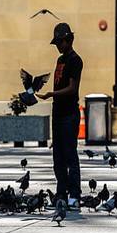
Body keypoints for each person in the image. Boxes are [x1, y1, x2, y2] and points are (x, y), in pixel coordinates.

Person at [36, 23, 83, 211]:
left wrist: (51, 95)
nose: (58, 46)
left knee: (70, 155)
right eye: (56, 43)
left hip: (69, 113)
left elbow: (73, 88)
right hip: (58, 112)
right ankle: (61, 192)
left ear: (68, 40)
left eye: (60, 42)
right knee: (58, 157)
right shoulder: (60, 60)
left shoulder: (75, 60)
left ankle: (74, 195)